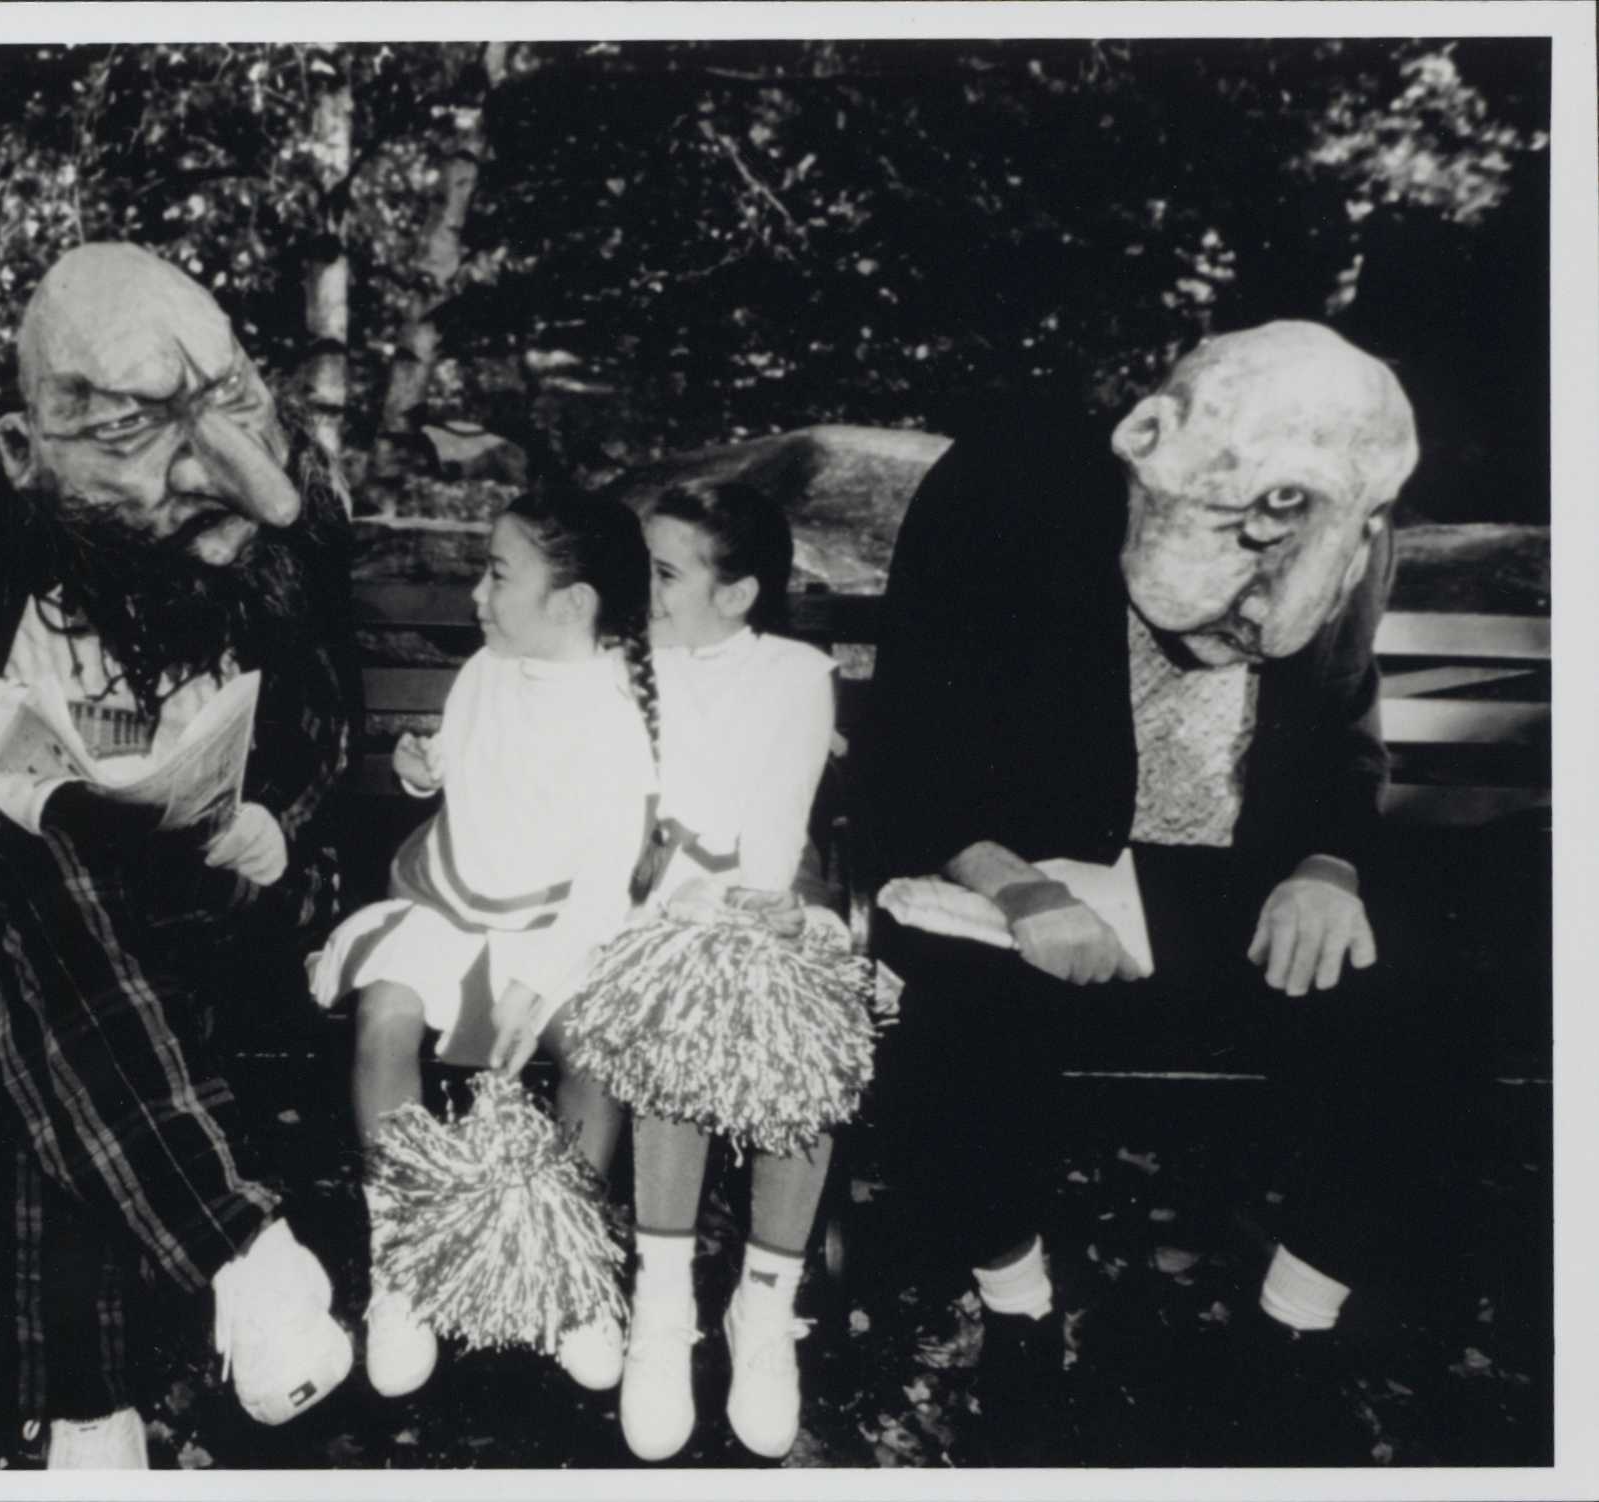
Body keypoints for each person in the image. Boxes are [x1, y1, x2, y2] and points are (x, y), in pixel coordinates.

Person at [857, 320, 1453, 1462]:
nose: (1270, 558)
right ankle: (1020, 1314)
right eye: (1253, 522)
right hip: (1038, 871)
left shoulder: (1348, 518)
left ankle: (1286, 1336)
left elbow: (1344, 737)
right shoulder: (1007, 486)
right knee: (959, 1009)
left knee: (1417, 999)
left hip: (1232, 885)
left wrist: (1326, 866)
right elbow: (908, 749)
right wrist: (1019, 889)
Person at [0, 243, 357, 1469]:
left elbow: (326, 721)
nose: (246, 481)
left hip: (214, 888)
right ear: (25, 451)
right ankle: (242, 1252)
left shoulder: (290, 485)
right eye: (132, 433)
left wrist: (277, 808)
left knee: (69, 996)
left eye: (231, 399)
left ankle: (84, 1410)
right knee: (47, 891)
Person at [311, 488, 656, 1400]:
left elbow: (600, 885)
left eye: (499, 574)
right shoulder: (485, 671)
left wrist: (536, 983)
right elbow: (467, 780)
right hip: (451, 904)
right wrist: (422, 768)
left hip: (562, 926)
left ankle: (573, 1265)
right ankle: (404, 1258)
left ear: (571, 604)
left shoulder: (614, 715)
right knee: (386, 1011)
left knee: (593, 1047)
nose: (477, 593)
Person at [614, 481, 842, 1462]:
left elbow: (775, 824)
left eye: (663, 573)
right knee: (683, 990)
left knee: (789, 1001)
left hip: (751, 893)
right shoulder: (611, 666)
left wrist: (759, 911)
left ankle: (764, 1306)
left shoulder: (792, 673)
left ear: (738, 593)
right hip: (626, 911)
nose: (641, 589)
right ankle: (661, 1309)